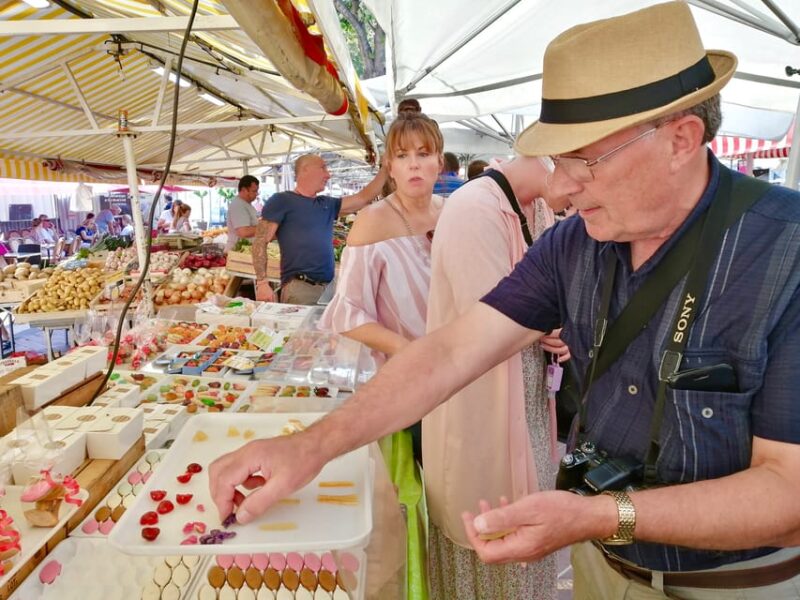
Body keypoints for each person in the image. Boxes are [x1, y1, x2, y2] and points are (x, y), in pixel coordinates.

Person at [210, 3, 800, 598]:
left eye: (583, 160)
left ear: (681, 140)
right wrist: (311, 445)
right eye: (557, 161)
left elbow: (789, 492)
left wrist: (600, 515)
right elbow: (451, 351)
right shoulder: (576, 243)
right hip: (603, 569)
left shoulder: (786, 252)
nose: (561, 186)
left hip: (737, 584)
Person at [424, 156, 570, 600]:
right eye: (580, 170)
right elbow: (489, 315)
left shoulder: (538, 208)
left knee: (526, 514)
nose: (582, 191)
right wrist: (554, 327)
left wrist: (564, 326)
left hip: (528, 400)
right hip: (482, 403)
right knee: (486, 516)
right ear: (551, 160)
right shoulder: (473, 207)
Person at [318, 108, 446, 597]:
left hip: (456, 378)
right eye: (403, 155)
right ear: (389, 166)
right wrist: (407, 349)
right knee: (414, 497)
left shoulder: (450, 213)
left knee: (454, 495)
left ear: (440, 162)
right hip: (404, 388)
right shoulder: (371, 222)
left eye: (424, 154)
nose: (414, 164)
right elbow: (346, 314)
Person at [253, 154, 387, 305]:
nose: (328, 175)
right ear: (305, 170)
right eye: (323, 168)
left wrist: (385, 168)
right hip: (301, 288)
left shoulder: (326, 204)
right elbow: (260, 241)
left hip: (328, 288)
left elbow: (363, 198)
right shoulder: (282, 200)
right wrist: (262, 283)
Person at [226, 175, 260, 251]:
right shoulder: (238, 205)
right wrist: (265, 227)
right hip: (238, 251)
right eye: (254, 191)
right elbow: (244, 232)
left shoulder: (246, 204)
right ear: (244, 190)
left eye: (257, 191)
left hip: (245, 250)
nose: (256, 194)